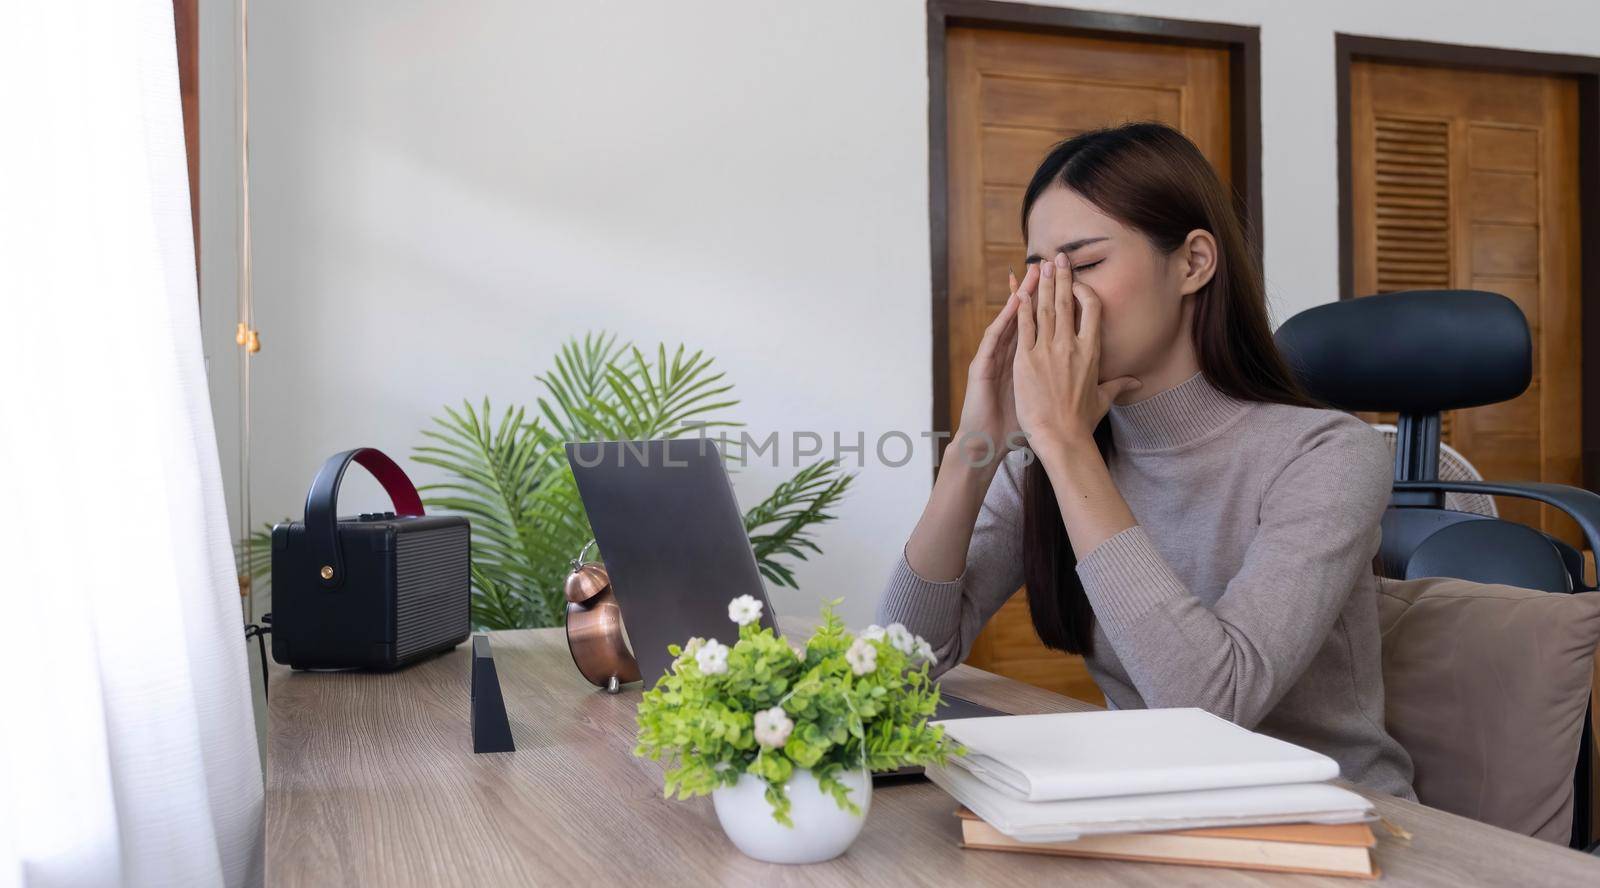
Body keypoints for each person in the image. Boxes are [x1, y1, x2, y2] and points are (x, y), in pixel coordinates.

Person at [876, 122, 1415, 800]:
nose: (1052, 298)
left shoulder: (1328, 455)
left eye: (1085, 263)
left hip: (1339, 825)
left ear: (1192, 263)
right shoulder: (1059, 453)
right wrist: (974, 450)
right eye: (1039, 271)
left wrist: (1066, 446)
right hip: (1155, 812)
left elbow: (1210, 708)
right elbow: (892, 675)